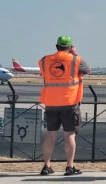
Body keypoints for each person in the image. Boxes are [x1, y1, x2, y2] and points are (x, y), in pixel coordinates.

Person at [38, 35, 90, 176]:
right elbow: (87, 69)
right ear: (70, 47)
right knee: (70, 135)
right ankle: (69, 166)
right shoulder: (76, 60)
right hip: (70, 102)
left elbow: (44, 73)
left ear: (56, 46)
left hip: (51, 103)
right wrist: (75, 54)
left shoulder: (44, 60)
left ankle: (46, 166)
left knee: (50, 134)